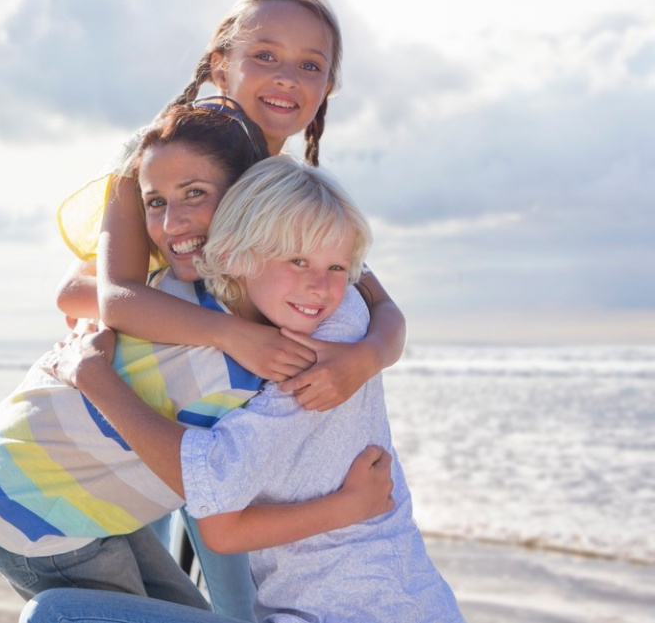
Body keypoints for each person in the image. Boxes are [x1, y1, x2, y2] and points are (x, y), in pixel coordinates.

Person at [52, 0, 407, 618]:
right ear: (221, 64)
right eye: (264, 55)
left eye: (310, 65)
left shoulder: (288, 190)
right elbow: (86, 291)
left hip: (240, 422)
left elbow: (379, 301)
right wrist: (231, 332)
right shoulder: (166, 154)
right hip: (172, 411)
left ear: (327, 87)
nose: (285, 77)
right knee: (226, 594)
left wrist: (366, 359)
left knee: (235, 594)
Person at [0, 105, 394, 613]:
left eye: (195, 194)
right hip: (28, 506)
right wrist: (348, 507)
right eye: (156, 202)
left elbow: (369, 288)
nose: (173, 219)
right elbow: (207, 492)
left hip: (49, 481)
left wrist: (371, 351)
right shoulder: (205, 319)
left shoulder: (222, 279)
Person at [36, 156, 463, 622]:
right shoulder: (312, 323)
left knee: (55, 614)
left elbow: (219, 522)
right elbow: (87, 291)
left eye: (337, 268)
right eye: (297, 261)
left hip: (352, 611)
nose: (320, 286)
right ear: (238, 254)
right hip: (405, 602)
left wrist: (92, 375)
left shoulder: (315, 355)